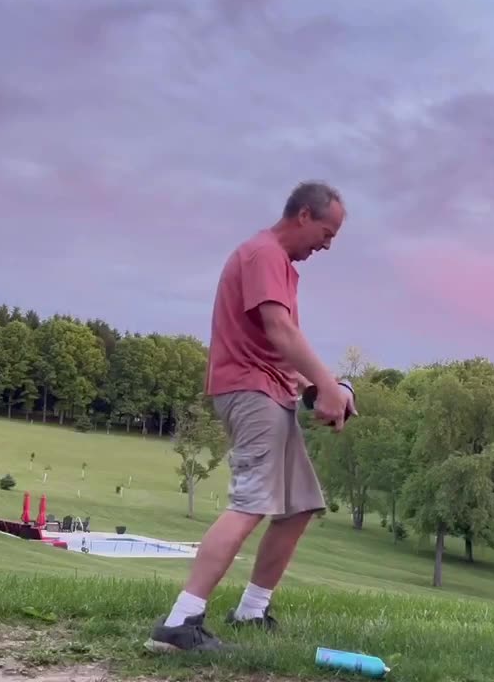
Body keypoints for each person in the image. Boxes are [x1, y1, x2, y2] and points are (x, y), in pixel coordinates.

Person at [145, 181, 353, 653]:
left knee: (298, 506)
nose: (327, 244)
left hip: (271, 389)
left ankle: (251, 610)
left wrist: (319, 386)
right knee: (252, 502)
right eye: (326, 231)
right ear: (303, 215)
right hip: (251, 391)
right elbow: (279, 329)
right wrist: (325, 383)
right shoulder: (263, 255)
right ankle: (180, 622)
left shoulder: (277, 263)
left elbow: (273, 343)